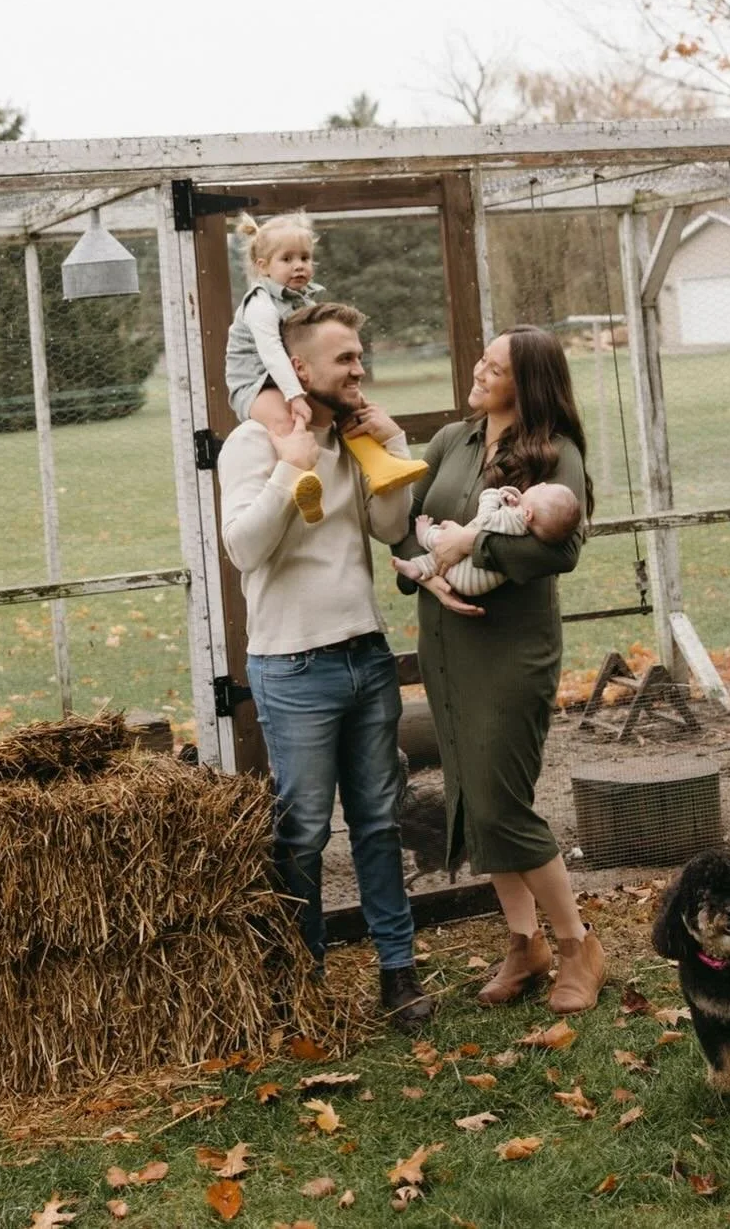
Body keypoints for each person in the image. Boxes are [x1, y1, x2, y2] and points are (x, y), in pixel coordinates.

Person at [218, 300, 434, 1031]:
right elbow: (245, 549)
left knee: (378, 822)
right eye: (346, 358)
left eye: (361, 355)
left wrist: (392, 441)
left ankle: (396, 971)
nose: (361, 367)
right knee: (304, 830)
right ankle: (299, 978)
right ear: (300, 367)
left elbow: (390, 526)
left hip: (367, 658)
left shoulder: (354, 441)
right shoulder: (251, 444)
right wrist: (289, 471)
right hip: (293, 667)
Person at [393, 326, 607, 1014]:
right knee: (470, 800)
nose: (479, 368)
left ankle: (577, 945)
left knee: (500, 800)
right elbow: (405, 521)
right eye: (480, 355)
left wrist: (473, 541)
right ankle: (525, 942)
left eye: (495, 364)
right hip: (447, 642)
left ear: (528, 382)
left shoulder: (554, 451)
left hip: (511, 645)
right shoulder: (452, 441)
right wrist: (429, 576)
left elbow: (561, 547)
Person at [224, 212, 426, 522]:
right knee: (286, 424)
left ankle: (382, 466)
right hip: (255, 382)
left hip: (287, 375)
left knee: (352, 411)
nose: (299, 265)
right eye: (287, 259)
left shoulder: (304, 302)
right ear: (263, 266)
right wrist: (294, 395)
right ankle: (304, 481)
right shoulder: (259, 303)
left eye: (305, 257)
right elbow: (272, 353)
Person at [392, 482, 582, 597]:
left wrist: (491, 496)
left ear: (528, 514)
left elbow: (487, 519)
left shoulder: (514, 520)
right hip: (474, 583)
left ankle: (423, 538)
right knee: (443, 555)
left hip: (467, 575)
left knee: (441, 538)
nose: (541, 484)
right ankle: (418, 568)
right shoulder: (529, 526)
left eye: (542, 489)